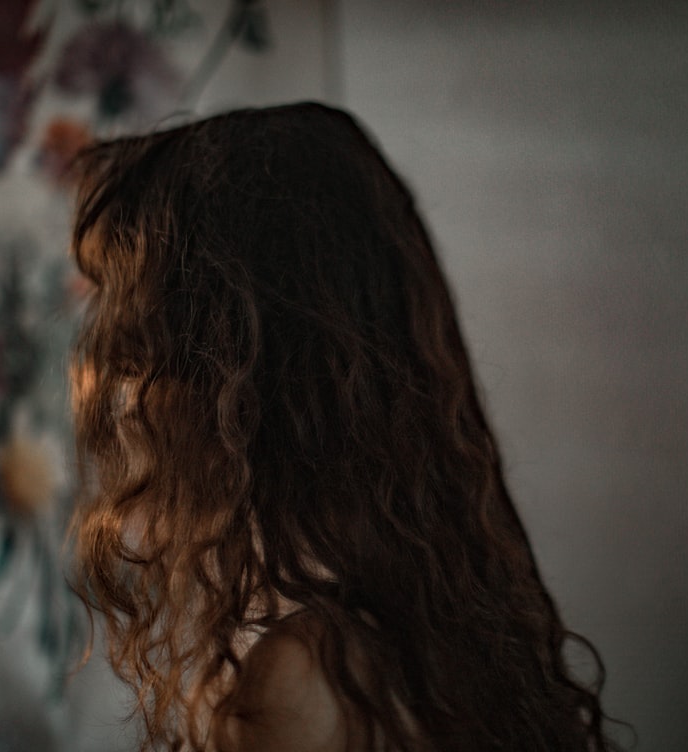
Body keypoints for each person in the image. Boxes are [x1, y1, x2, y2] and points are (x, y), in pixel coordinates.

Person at [68, 102, 616, 751]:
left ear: (241, 376)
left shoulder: (311, 681)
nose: (119, 401)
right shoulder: (432, 629)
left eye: (138, 352)